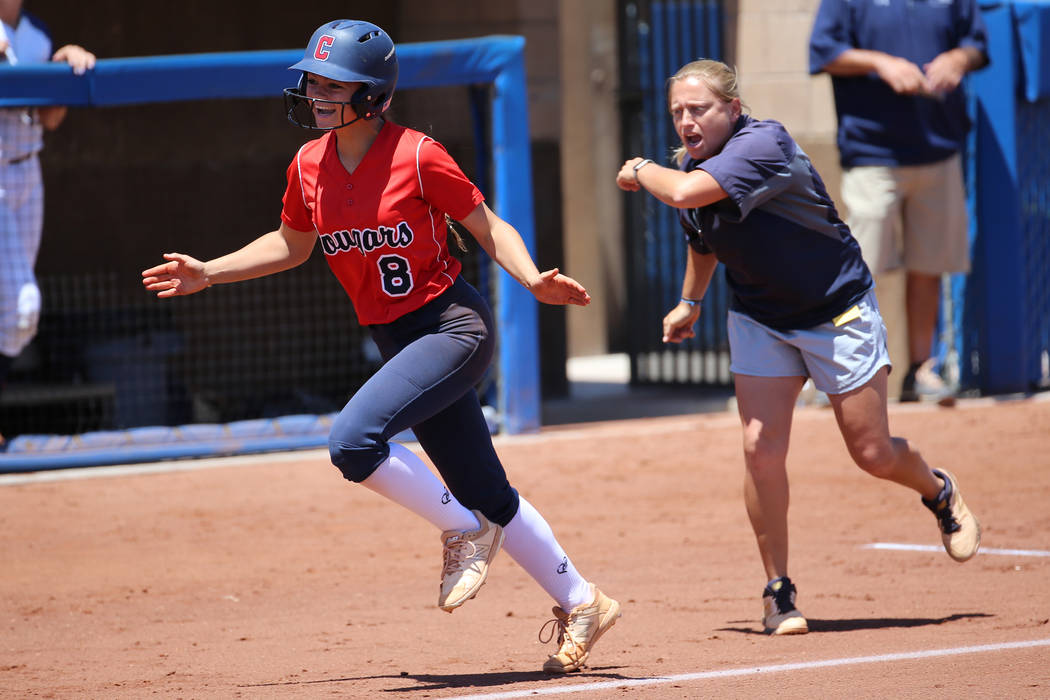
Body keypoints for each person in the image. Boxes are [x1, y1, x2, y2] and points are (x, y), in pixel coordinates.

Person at [141, 19, 620, 673]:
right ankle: (583, 599)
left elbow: (487, 224)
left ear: (371, 94)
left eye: (330, 83)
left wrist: (533, 277)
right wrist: (209, 271)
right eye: (311, 80)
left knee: (353, 442)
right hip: (402, 344)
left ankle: (464, 531)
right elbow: (291, 244)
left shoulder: (418, 154)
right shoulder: (308, 164)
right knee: (487, 488)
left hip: (452, 329)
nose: (314, 92)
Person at [616, 59, 980, 636]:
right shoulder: (690, 165)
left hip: (836, 311)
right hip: (761, 316)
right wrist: (690, 302)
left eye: (699, 109)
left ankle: (938, 490)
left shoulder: (766, 144)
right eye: (678, 112)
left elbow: (685, 194)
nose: (687, 122)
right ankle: (778, 591)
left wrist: (640, 168)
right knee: (760, 448)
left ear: (733, 109)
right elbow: (703, 237)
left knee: (873, 453)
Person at [808, 0, 989, 403]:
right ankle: (842, 372)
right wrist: (881, 63)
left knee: (929, 266)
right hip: (872, 150)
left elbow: (977, 43)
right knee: (859, 267)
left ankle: (920, 370)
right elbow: (824, 50)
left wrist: (959, 58)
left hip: (940, 146)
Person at [0, 0, 95, 445]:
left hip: (26, 167)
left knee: (13, 318)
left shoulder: (35, 34)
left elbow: (48, 118)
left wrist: (63, 67)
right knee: (20, 310)